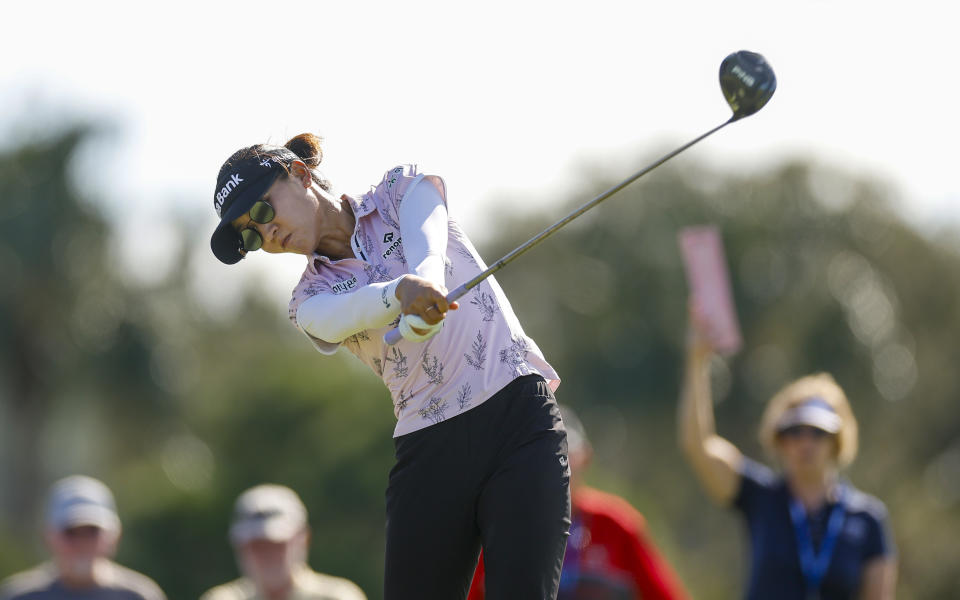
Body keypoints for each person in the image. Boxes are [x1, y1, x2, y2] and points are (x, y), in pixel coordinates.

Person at [209, 134, 569, 599]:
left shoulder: (401, 189)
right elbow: (349, 313)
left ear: (299, 175)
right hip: (430, 446)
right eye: (251, 234)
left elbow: (429, 242)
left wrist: (426, 286)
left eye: (261, 211)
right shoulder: (308, 300)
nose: (267, 233)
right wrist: (401, 296)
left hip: (518, 417)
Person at [679, 304, 898, 599]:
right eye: (794, 431)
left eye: (818, 432)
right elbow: (698, 445)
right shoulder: (761, 497)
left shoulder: (868, 520)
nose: (805, 442)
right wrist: (697, 362)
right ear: (779, 439)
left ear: (837, 440)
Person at [468, 406, 690, 600]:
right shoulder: (499, 529)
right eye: (540, 457)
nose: (553, 467)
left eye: (564, 454)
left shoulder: (617, 525)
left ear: (585, 456)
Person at [0, 475, 166, 600]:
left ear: (115, 535)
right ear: (49, 536)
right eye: (71, 533)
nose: (82, 543)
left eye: (92, 531)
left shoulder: (141, 595)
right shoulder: (18, 596)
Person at [199, 484, 366, 600]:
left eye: (276, 544)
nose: (266, 554)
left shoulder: (338, 597)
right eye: (256, 546)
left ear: (303, 538)